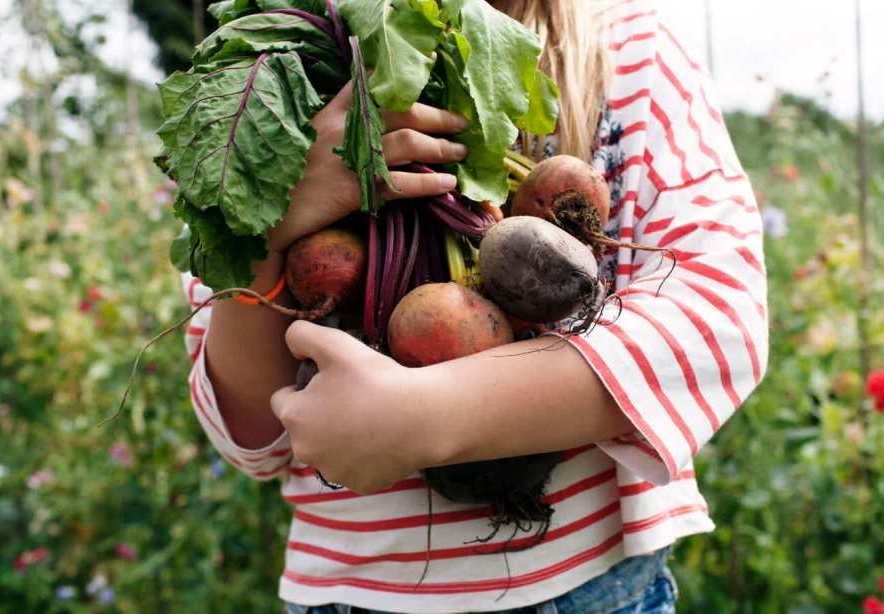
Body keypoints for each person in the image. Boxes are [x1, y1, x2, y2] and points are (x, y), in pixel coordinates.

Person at [180, 1, 768, 612]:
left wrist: (429, 416)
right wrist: (269, 220)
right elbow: (254, 437)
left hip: (593, 587)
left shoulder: (624, 46)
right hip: (349, 595)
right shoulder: (274, 89)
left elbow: (719, 319)